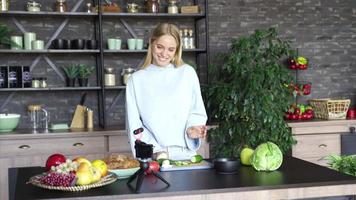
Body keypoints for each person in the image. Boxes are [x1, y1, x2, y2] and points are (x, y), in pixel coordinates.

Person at [126, 23, 207, 161]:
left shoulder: (187, 73)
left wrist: (193, 129)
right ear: (152, 43)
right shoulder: (136, 80)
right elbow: (134, 124)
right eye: (160, 47)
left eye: (171, 49)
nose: (164, 54)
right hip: (154, 158)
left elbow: (197, 111)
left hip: (187, 156)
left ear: (177, 50)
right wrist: (157, 151)